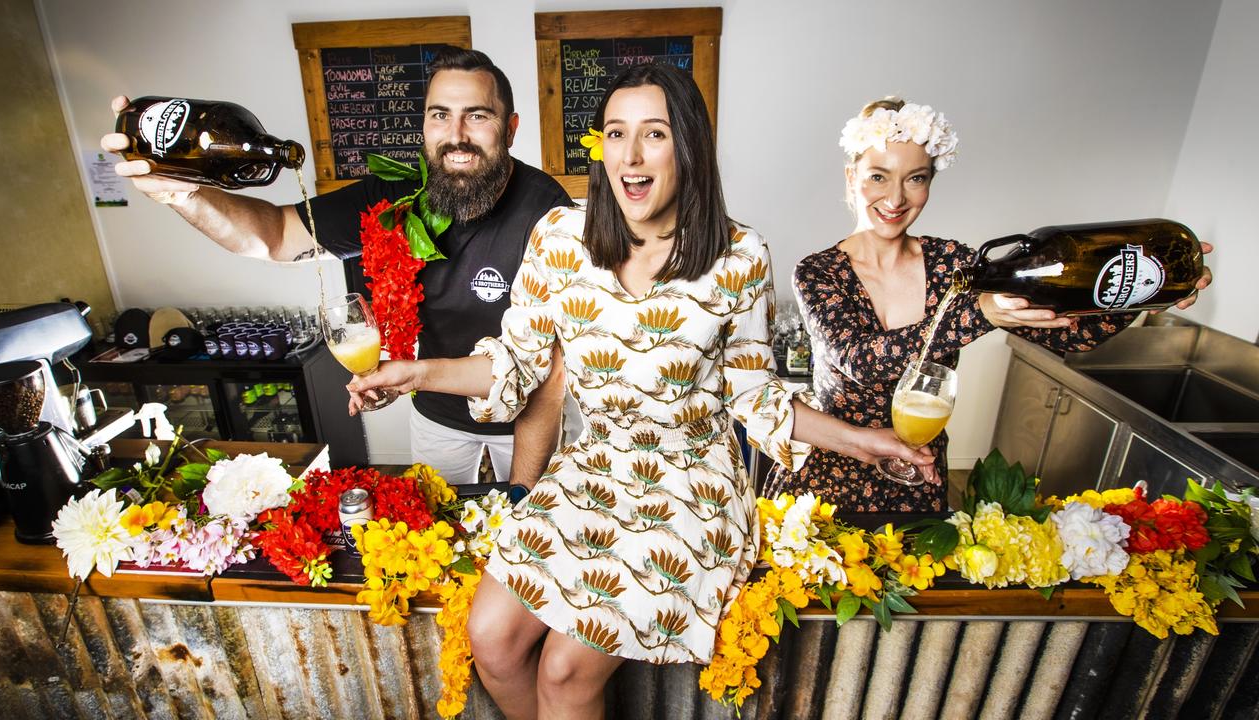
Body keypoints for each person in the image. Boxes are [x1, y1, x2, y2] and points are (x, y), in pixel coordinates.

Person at [346, 65, 934, 720]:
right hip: (591, 469)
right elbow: (515, 365)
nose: (629, 155)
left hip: (691, 487)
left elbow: (756, 399)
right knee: (492, 640)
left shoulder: (739, 257)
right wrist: (416, 373)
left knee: (566, 673)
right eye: (616, 133)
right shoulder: (561, 239)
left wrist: (867, 441)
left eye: (653, 134)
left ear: (688, 146)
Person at [100, 48, 572, 488]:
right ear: (424, 125)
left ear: (509, 129)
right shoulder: (392, 198)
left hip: (529, 420)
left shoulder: (548, 213)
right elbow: (274, 237)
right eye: (440, 115)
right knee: (440, 539)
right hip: (434, 415)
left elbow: (549, 376)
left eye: (478, 115)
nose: (457, 134)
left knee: (529, 541)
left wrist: (523, 497)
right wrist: (184, 194)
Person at [763, 97, 1214, 513]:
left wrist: (1140, 294)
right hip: (830, 474)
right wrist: (979, 313)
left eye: (915, 178)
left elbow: (1069, 334)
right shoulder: (818, 271)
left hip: (917, 472)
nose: (896, 198)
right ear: (852, 176)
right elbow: (860, 360)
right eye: (878, 175)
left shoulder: (954, 264)